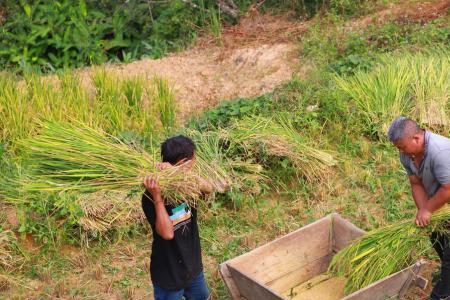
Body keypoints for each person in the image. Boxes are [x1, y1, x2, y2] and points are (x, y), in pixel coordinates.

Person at [142, 135, 212, 300]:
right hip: (169, 273)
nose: (195, 162)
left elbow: (209, 187)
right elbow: (167, 233)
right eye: (193, 159)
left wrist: (179, 174)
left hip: (193, 266)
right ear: (183, 162)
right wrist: (158, 197)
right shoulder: (150, 196)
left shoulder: (188, 186)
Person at [388, 117, 450, 300]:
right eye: (398, 148)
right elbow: (415, 183)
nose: (400, 152)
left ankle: (441, 295)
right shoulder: (407, 154)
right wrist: (424, 209)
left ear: (416, 138)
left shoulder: (440, 151)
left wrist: (428, 210)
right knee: (436, 236)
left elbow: (448, 188)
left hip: (446, 194)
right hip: (441, 202)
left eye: (402, 147)